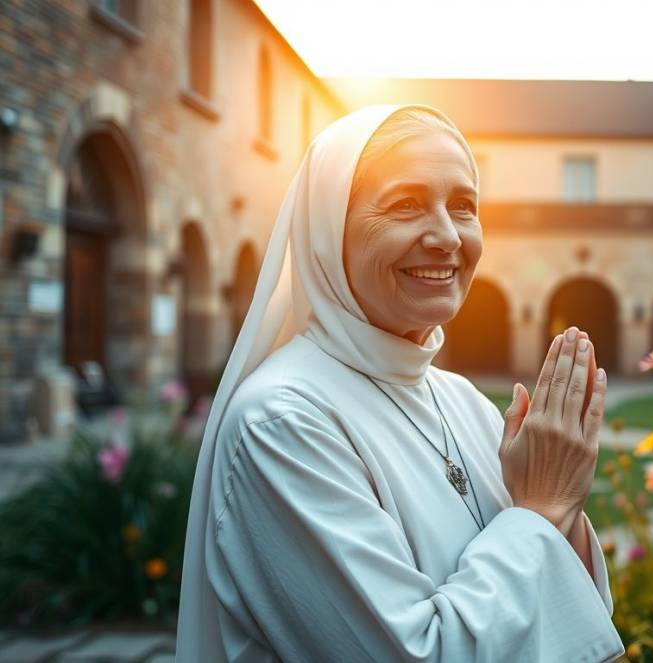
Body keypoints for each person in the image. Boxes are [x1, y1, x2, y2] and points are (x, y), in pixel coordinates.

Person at [175, 105, 624, 662]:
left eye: (463, 206)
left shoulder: (465, 401)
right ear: (327, 228)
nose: (445, 236)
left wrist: (564, 505)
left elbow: (575, 614)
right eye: (405, 205)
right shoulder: (283, 421)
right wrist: (544, 508)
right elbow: (414, 654)